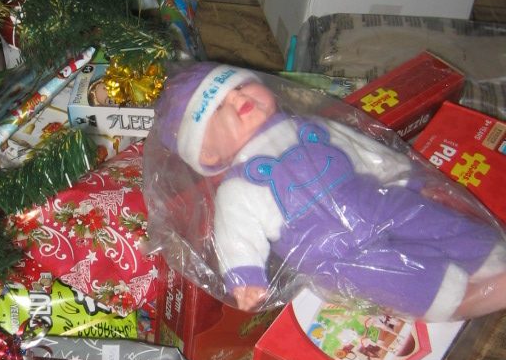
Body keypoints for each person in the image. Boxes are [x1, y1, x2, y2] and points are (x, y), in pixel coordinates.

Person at [147, 62, 506, 322]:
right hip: (328, 252)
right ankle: (459, 298)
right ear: (208, 155)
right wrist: (245, 278)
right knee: (386, 274)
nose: (237, 98)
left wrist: (406, 180)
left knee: (424, 216)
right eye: (216, 108)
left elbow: (364, 152)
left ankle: (488, 254)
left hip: (369, 198)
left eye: (239, 87)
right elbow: (235, 236)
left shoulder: (311, 126)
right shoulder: (237, 188)